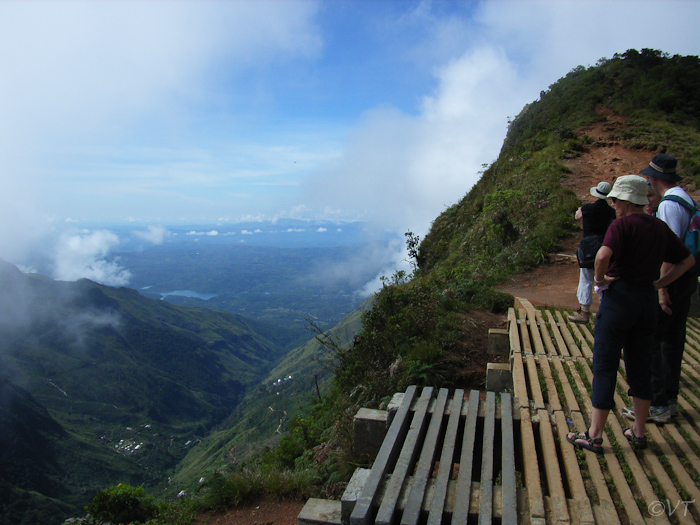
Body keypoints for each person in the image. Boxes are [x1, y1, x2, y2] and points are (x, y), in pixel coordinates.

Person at [566, 175, 693, 453]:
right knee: (641, 366)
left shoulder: (620, 225)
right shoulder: (659, 227)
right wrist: (660, 284)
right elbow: (687, 260)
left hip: (619, 301)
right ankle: (638, 433)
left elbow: (601, 257)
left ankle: (595, 435)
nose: (612, 205)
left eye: (614, 200)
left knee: (605, 364)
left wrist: (599, 281)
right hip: (647, 303)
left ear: (625, 201)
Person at [622, 154, 698, 424]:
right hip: (687, 278)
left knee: (650, 340)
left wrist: (662, 288)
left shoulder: (668, 205)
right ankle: (669, 399)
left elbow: (671, 249)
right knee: (673, 341)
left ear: (654, 179)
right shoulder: (685, 198)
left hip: (673, 280)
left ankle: (655, 403)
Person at [568, 181, 616, 324]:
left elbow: (577, 216)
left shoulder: (588, 208)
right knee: (602, 281)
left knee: (586, 279)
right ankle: (604, 314)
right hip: (604, 248)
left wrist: (580, 209)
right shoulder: (611, 212)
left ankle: (584, 312)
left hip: (588, 247)